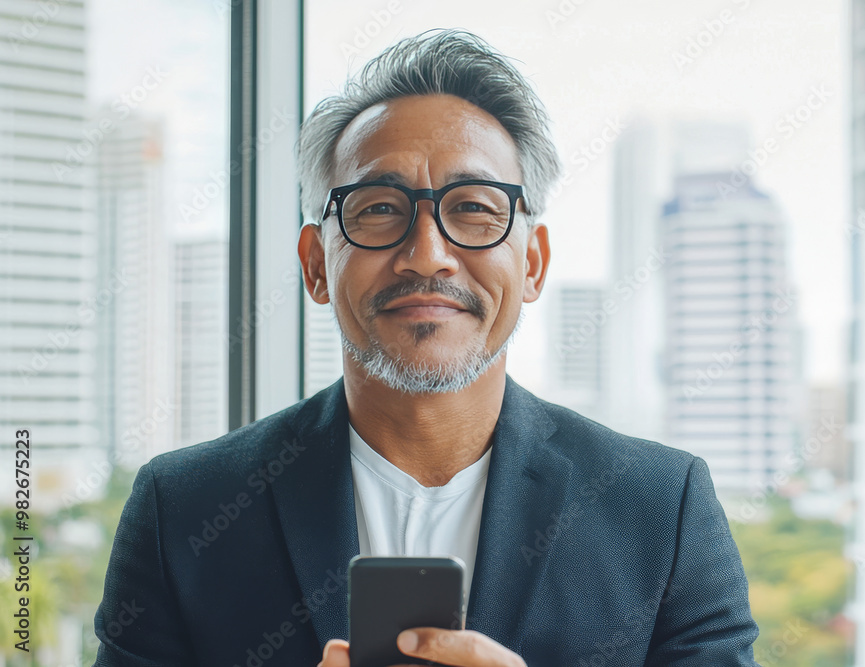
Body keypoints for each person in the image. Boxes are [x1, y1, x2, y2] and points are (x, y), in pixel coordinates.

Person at [93, 29, 761, 667]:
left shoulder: (661, 510)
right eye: (379, 207)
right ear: (316, 264)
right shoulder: (181, 510)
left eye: (473, 207)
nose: (428, 254)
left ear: (532, 263)